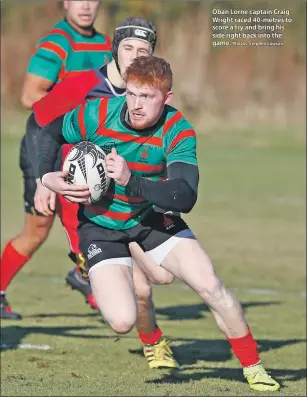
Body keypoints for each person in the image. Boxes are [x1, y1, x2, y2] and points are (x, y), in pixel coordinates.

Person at [38, 56, 281, 392]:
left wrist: (130, 180)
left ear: (167, 98)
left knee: (210, 284)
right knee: (122, 320)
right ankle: (134, 281)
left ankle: (253, 367)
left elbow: (184, 196)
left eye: (147, 97)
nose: (136, 105)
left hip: (150, 216)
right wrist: (46, 177)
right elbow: (46, 132)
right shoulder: (96, 112)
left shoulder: (177, 129)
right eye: (132, 94)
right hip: (100, 226)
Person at [1, 13, 179, 369]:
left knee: (151, 279)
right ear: (115, 50)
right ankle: (151, 339)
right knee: (132, 281)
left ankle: (146, 335)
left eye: (142, 50)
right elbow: (40, 123)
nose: (134, 55)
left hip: (127, 195)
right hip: (80, 197)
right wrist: (43, 178)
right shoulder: (83, 85)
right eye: (127, 47)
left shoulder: (146, 96)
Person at [0, 0, 111, 318]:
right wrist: (77, 106)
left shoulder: (105, 45)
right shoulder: (57, 43)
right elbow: (29, 96)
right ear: (65, 3)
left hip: (82, 150)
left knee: (89, 220)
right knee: (37, 230)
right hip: (45, 148)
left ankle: (88, 279)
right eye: (79, 0)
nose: (86, 6)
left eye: (93, 0)